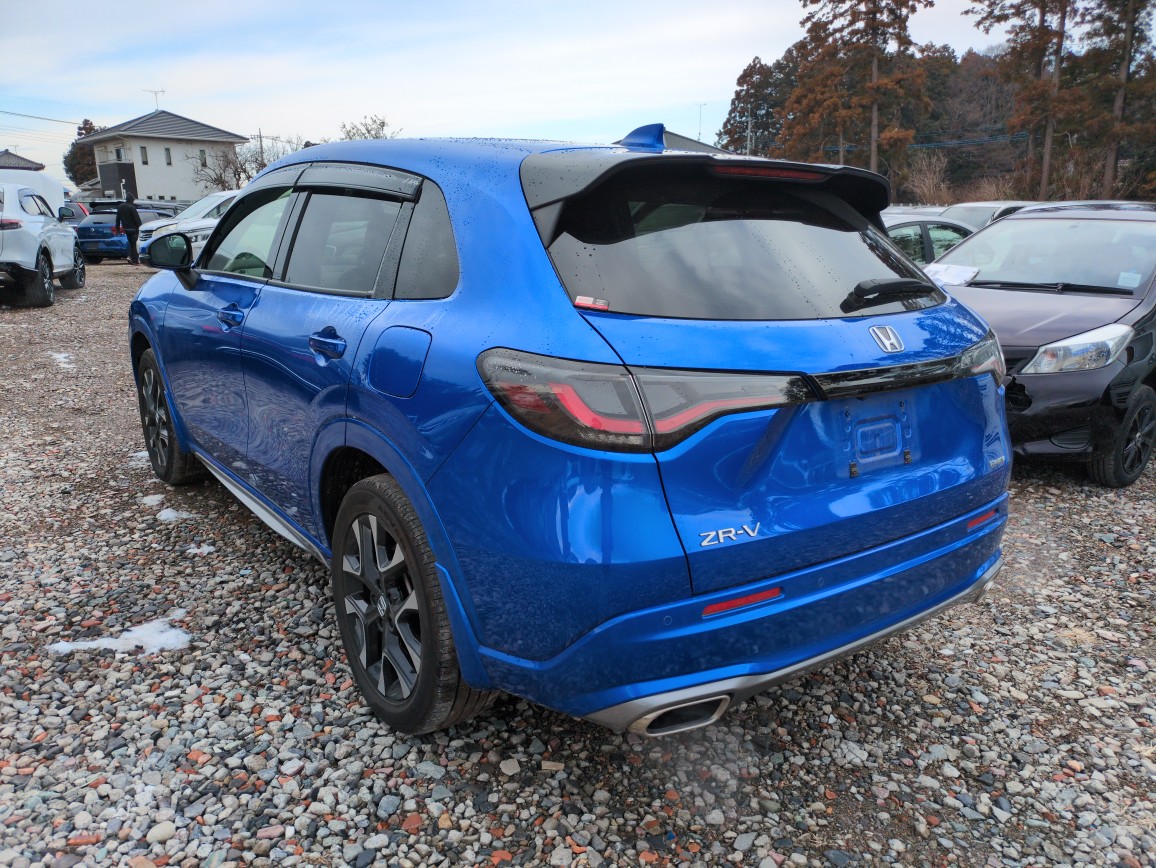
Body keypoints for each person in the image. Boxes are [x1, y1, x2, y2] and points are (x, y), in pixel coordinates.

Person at [115, 192, 143, 265]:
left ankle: (130, 257)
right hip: (134, 229)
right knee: (134, 244)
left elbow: (117, 218)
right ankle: (134, 259)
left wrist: (117, 228)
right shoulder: (132, 207)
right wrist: (141, 227)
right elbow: (136, 219)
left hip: (126, 229)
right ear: (131, 200)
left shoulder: (120, 207)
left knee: (131, 243)